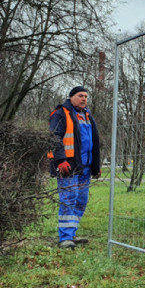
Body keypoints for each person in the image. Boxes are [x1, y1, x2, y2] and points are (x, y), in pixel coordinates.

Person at [49, 86, 101, 249]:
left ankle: (71, 233)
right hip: (68, 166)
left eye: (86, 96)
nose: (84, 99)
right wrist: (60, 160)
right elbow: (53, 138)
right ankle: (65, 238)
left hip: (85, 166)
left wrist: (96, 165)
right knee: (68, 200)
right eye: (80, 95)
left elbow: (94, 143)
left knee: (81, 201)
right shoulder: (60, 114)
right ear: (71, 97)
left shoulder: (87, 116)